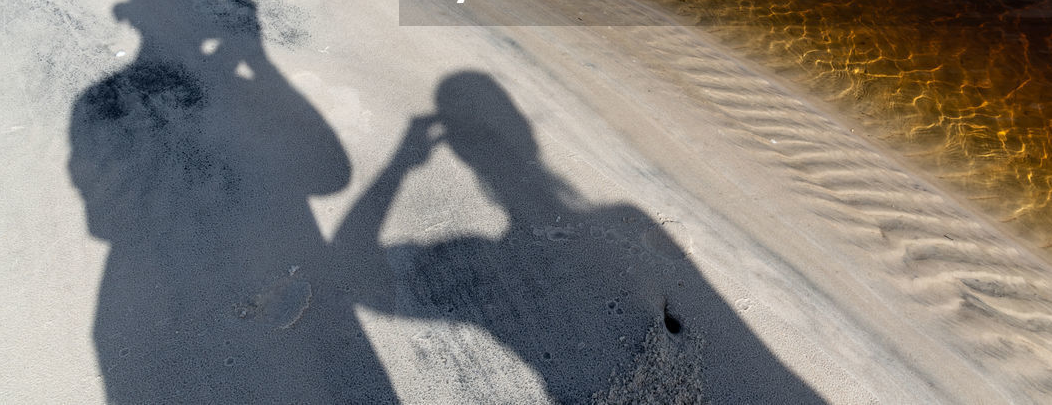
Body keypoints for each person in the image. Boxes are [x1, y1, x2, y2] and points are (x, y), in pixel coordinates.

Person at [333, 71, 821, 403]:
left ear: (456, 153)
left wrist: (401, 162)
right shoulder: (628, 223)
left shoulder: (483, 266)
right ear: (526, 132)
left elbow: (351, 273)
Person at [69, 0, 396, 404]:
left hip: (140, 308)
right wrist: (256, 63)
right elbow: (330, 174)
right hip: (197, 311)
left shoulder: (98, 102)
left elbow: (104, 221)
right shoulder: (235, 99)